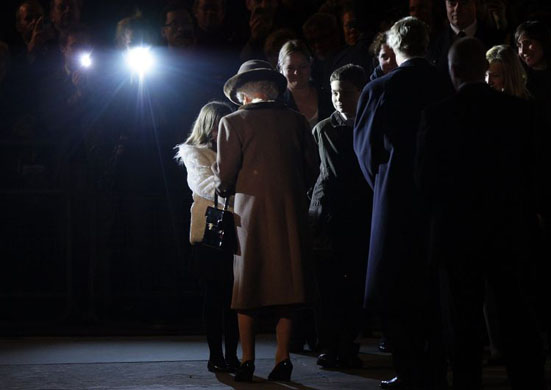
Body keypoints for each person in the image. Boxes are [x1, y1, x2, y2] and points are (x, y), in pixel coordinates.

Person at [415, 36, 546, 390]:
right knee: (515, 314)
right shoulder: (519, 112)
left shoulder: (437, 116)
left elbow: (425, 181)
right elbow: (534, 173)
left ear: (453, 70)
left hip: (457, 234)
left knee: (463, 322)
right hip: (509, 229)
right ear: (484, 69)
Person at [353, 16, 448, 389]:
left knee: (397, 287)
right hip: (441, 200)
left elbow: (365, 150)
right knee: (435, 290)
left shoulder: (380, 88)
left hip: (395, 197)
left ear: (393, 46)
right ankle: (436, 370)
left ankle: (409, 371)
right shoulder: (445, 84)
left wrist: (382, 182)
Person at [214, 59, 319, 382]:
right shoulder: (296, 121)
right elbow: (312, 167)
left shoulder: (232, 123)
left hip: (250, 214)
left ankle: (247, 360)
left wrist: (222, 185)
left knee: (247, 287)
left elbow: (225, 176)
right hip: (289, 209)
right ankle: (283, 357)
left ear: (244, 93)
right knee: (287, 284)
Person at [309, 64, 371, 369]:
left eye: (345, 93)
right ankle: (330, 345)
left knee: (353, 284)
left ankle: (348, 343)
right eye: (335, 93)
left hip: (358, 214)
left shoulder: (369, 124)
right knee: (328, 286)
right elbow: (319, 173)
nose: (338, 99)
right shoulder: (323, 129)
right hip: (330, 216)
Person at [174, 101, 240, 374]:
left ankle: (233, 355)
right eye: (216, 125)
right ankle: (215, 355)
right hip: (211, 231)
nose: (220, 130)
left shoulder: (237, 149)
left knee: (235, 298)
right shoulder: (194, 153)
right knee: (214, 297)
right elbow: (208, 186)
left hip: (236, 227)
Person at [278, 39, 331, 128]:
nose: (297, 72)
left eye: (302, 67)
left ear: (310, 65)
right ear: (281, 69)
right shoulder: (278, 104)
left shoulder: (327, 96)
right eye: (290, 68)